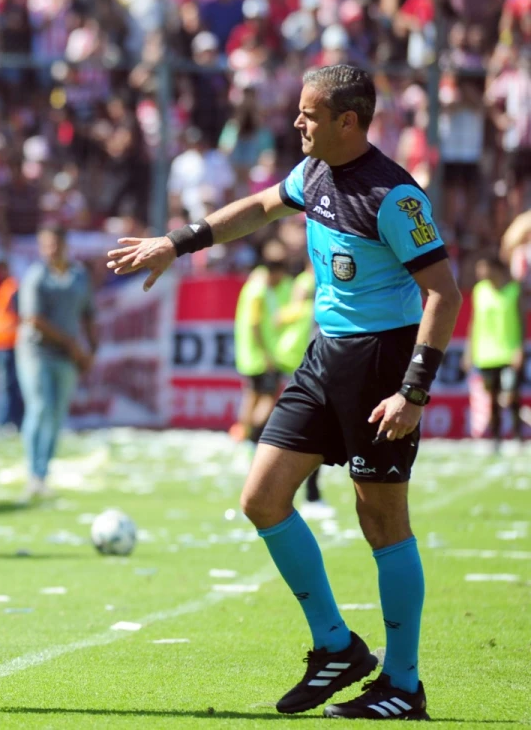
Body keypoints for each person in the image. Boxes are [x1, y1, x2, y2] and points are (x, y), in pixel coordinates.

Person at [110, 65, 461, 719]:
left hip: (382, 364)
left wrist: (414, 393)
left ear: (347, 121)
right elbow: (260, 207)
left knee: (381, 522)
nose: (296, 122)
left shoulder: (394, 195)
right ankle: (337, 646)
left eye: (308, 113)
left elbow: (444, 291)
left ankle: (405, 686)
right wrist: (176, 243)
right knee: (262, 497)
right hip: (325, 357)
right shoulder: (315, 174)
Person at [16, 226, 97, 499]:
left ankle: (43, 473)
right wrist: (72, 345)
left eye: (55, 244)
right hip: (36, 352)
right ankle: (33, 472)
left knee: (56, 415)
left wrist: (92, 350)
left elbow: (88, 314)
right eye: (46, 244)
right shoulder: (36, 276)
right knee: (40, 408)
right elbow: (33, 319)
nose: (51, 250)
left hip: (67, 357)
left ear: (64, 245)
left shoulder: (79, 277)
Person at [274, 262, 334, 520]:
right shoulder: (311, 283)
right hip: (307, 363)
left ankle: (307, 492)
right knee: (313, 429)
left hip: (309, 361)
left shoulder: (312, 284)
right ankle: (308, 493)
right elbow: (287, 315)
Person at [233, 242, 292, 451]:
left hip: (250, 355)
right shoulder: (259, 290)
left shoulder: (255, 284)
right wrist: (267, 354)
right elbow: (255, 324)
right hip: (261, 355)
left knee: (251, 396)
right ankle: (251, 438)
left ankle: (242, 435)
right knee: (266, 397)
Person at [467, 255, 526, 450]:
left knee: (511, 396)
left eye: (483, 268)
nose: (479, 273)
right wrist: (469, 351)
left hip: (509, 353)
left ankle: (518, 438)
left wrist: (520, 348)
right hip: (485, 355)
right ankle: (496, 440)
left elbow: (522, 322)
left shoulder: (514, 290)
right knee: (491, 399)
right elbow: (473, 322)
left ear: (495, 268)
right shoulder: (479, 291)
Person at [0, 260, 24, 430]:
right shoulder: (2, 288)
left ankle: (8, 423)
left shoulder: (11, 287)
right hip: (1, 343)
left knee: (8, 386)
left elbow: (21, 313)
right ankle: (8, 422)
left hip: (11, 343)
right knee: (4, 386)